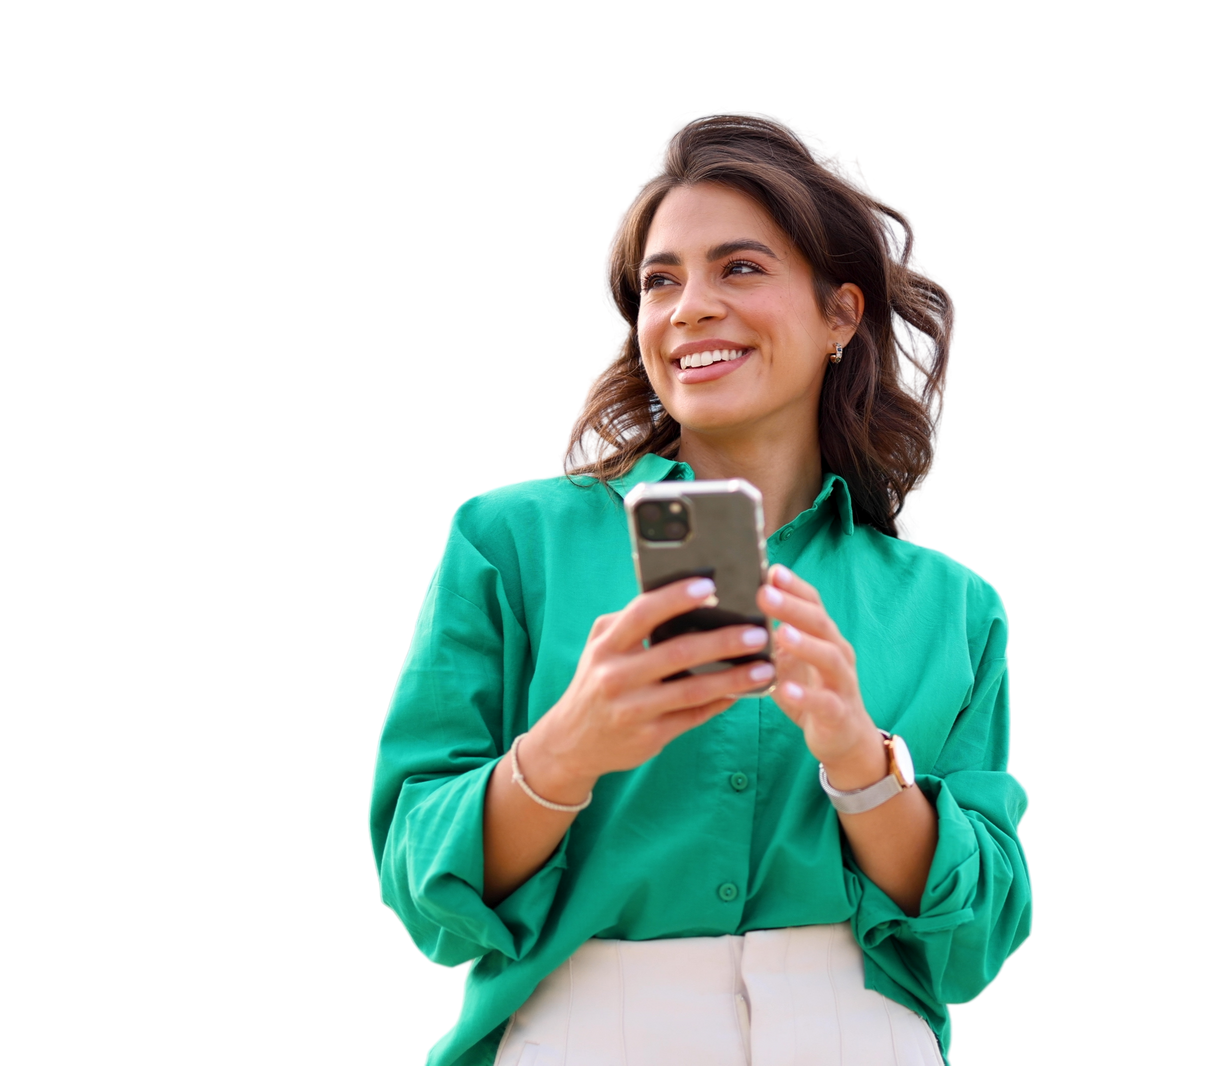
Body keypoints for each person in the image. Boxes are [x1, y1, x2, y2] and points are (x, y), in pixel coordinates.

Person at [367, 105, 1033, 1066]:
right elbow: (419, 885)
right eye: (660, 282)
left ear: (841, 313)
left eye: (741, 268)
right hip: (586, 1036)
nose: (689, 309)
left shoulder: (958, 608)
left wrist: (861, 764)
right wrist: (564, 751)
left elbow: (976, 943)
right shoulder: (506, 541)